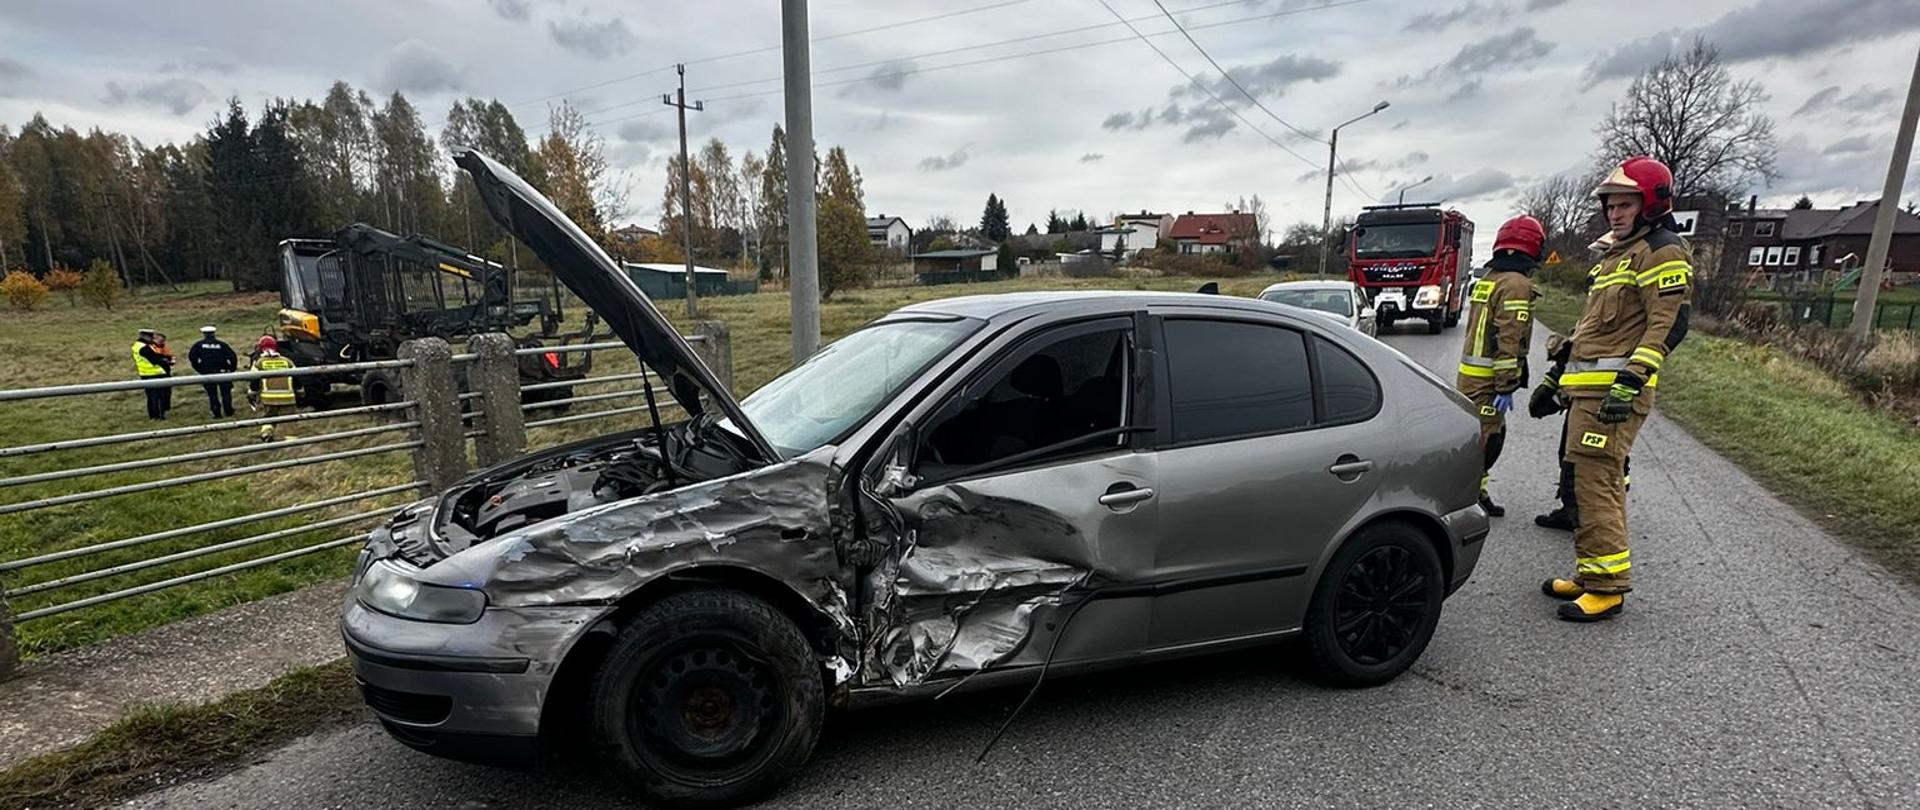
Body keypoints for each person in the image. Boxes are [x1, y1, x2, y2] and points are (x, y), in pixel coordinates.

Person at [1541, 156, 1692, 623]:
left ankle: (1607, 588)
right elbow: (1591, 330)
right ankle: (1590, 575)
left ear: (1652, 204)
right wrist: (1554, 379)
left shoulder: (1662, 252)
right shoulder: (1616, 256)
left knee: (1598, 483)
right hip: (1587, 395)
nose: (1614, 213)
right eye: (1610, 205)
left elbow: (1668, 323)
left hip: (1613, 397)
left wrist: (1632, 379)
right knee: (1582, 484)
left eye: (1625, 204)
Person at [1532, 235, 1633, 532]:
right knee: (1572, 452)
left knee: (1598, 460)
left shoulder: (1626, 307)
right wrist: (1554, 381)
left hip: (1604, 393)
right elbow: (1580, 348)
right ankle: (1574, 509)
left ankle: (1598, 517)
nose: (1596, 265)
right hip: (1584, 390)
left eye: (1602, 255)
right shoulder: (1598, 302)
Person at [1454, 214, 1543, 517]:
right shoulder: (1516, 284)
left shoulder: (1490, 279)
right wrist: (1506, 384)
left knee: (1482, 435)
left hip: (1471, 375)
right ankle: (1470, 495)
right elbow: (1508, 337)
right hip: (1489, 380)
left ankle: (1476, 491)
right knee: (1488, 440)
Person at [252, 336, 298, 441]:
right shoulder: (287, 361)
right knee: (289, 420)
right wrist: (299, 390)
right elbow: (297, 377)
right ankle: (291, 441)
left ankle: (267, 434)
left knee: (268, 417)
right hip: (287, 397)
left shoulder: (259, 362)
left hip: (268, 398)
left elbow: (254, 380)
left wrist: (252, 393)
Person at [188, 325, 239, 418]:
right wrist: (231, 369)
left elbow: (192, 358)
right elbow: (233, 357)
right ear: (214, 334)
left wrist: (200, 369)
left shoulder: (198, 345)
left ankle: (216, 412)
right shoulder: (222, 344)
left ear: (204, 334)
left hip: (208, 372)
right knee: (226, 393)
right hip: (223, 372)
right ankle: (228, 411)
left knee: (212, 394)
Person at [132, 328, 173, 420]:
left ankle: (153, 416)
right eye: (151, 337)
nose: (152, 339)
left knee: (151, 396)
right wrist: (167, 361)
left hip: (145, 374)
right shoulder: (144, 348)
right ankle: (158, 416)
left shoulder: (137, 346)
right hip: (155, 373)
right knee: (158, 396)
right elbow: (154, 359)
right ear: (145, 336)